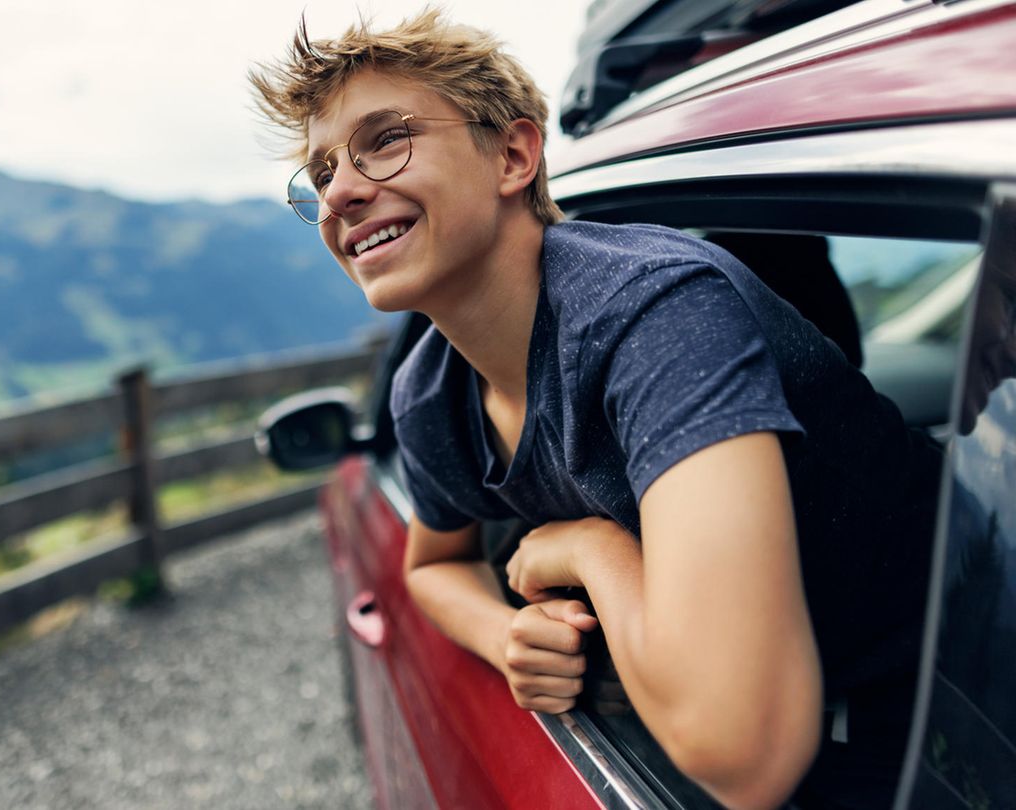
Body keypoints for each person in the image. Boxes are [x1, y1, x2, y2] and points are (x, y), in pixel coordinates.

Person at [250, 9, 941, 810]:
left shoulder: (654, 315)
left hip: (953, 678)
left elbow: (746, 752)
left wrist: (591, 549)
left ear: (513, 155)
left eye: (385, 139)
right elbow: (435, 564)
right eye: (322, 169)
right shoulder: (427, 393)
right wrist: (505, 634)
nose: (340, 191)